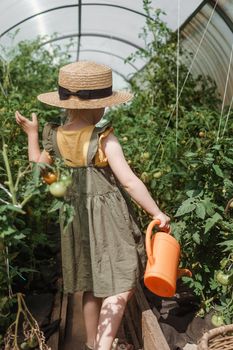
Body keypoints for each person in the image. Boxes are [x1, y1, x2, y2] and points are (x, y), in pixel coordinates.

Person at [15, 61, 170, 350]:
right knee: (122, 282)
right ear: (98, 106)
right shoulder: (103, 138)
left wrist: (32, 135)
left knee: (89, 281)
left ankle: (90, 340)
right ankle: (103, 346)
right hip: (107, 216)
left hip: (74, 216)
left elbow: (38, 168)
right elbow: (130, 182)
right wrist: (156, 212)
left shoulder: (56, 136)